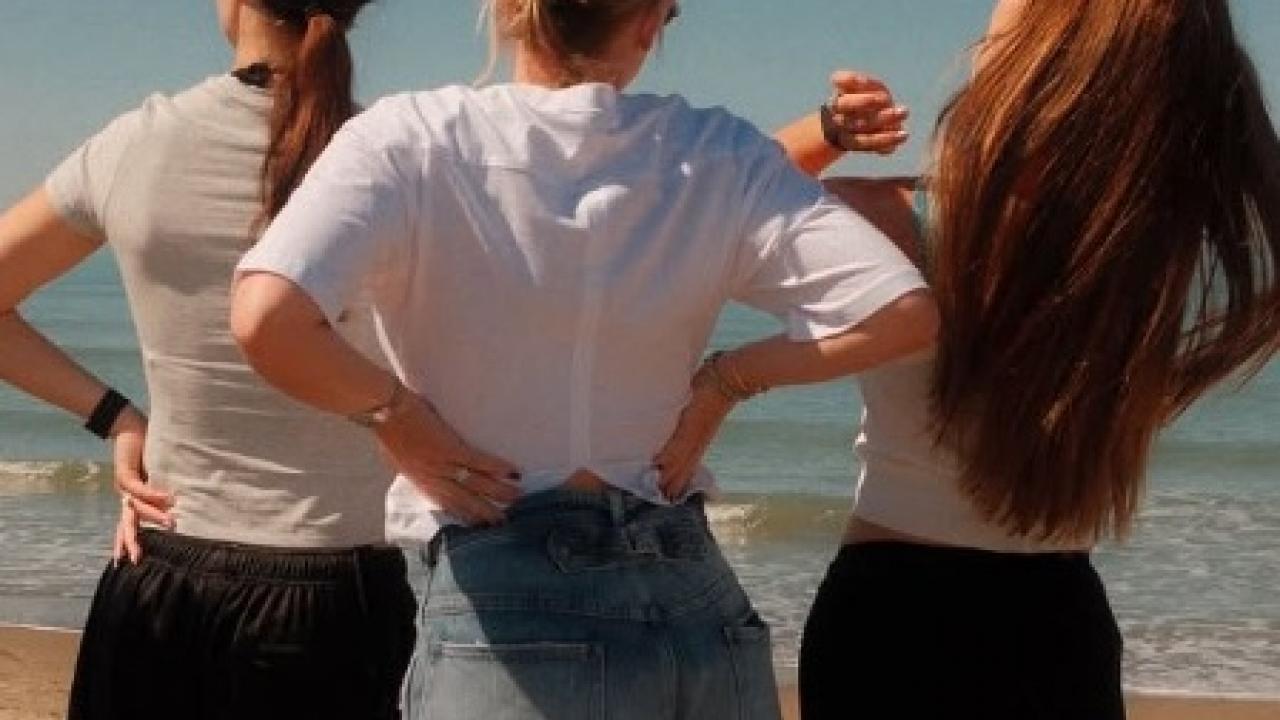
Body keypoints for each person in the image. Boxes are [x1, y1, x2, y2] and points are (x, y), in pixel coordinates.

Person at [228, 0, 939, 717]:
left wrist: (394, 416)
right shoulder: (716, 148)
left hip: (508, 609)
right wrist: (729, 381)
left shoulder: (409, 136)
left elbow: (268, 318)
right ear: (649, 24)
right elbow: (901, 314)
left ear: (506, 11)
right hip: (696, 607)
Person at [668, 0, 1280, 717]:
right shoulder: (1143, 255)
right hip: (1061, 630)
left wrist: (828, 131)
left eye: (990, 47)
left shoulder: (884, 218)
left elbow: (710, 204)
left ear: (1027, 77)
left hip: (889, 622)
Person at [0, 2, 416, 718]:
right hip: (343, 603)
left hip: (163, 578)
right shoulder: (402, 163)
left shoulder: (140, 145)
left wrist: (120, 419)